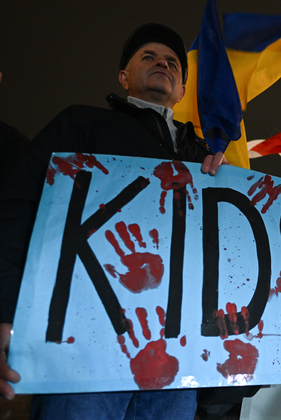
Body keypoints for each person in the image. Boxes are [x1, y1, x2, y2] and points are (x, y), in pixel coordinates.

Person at [0, 23, 228, 419]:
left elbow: (229, 263)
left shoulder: (208, 164)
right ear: (124, 77)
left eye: (173, 62)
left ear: (182, 91)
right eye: (148, 56)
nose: (163, 63)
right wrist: (4, 308)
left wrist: (223, 181)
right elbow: (19, 208)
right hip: (84, 358)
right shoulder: (81, 125)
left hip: (177, 371)